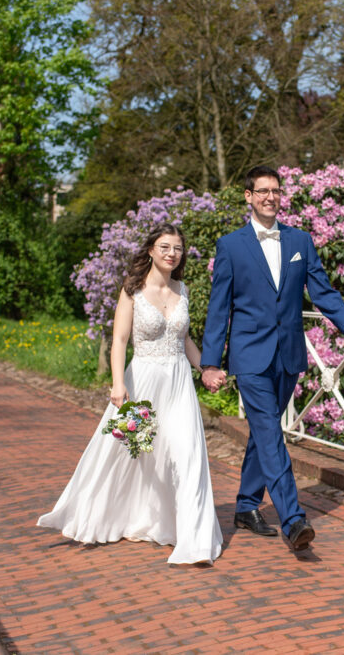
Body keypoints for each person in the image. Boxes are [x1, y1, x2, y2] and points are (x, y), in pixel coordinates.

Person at [38, 224, 223, 565]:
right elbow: (120, 340)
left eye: (177, 248)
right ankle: (114, 515)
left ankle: (194, 542)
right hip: (141, 383)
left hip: (179, 384)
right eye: (165, 247)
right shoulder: (132, 290)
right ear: (151, 250)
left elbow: (183, 340)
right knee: (126, 453)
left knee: (187, 454)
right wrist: (117, 383)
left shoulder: (182, 289)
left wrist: (205, 369)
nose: (171, 253)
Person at [201, 166, 344, 551]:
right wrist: (211, 362)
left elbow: (322, 291)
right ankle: (293, 519)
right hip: (250, 356)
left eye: (275, 191)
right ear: (248, 196)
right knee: (271, 433)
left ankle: (246, 505)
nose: (270, 197)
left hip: (288, 354)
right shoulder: (231, 246)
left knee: (266, 430)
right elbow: (219, 309)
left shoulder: (299, 241)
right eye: (262, 191)